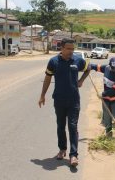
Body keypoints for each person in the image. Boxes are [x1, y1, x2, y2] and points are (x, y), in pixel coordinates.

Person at [38, 38, 90, 167]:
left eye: (72, 49)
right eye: (68, 49)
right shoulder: (53, 61)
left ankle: (73, 155)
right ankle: (62, 149)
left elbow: (88, 68)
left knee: (72, 126)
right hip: (59, 99)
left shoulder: (78, 60)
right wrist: (42, 95)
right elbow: (47, 78)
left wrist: (81, 80)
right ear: (61, 48)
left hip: (74, 100)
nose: (71, 51)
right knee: (60, 126)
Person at [91, 57, 115, 137]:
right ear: (110, 65)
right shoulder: (106, 68)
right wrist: (89, 66)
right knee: (107, 117)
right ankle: (109, 133)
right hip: (106, 99)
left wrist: (103, 94)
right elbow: (97, 67)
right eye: (114, 67)